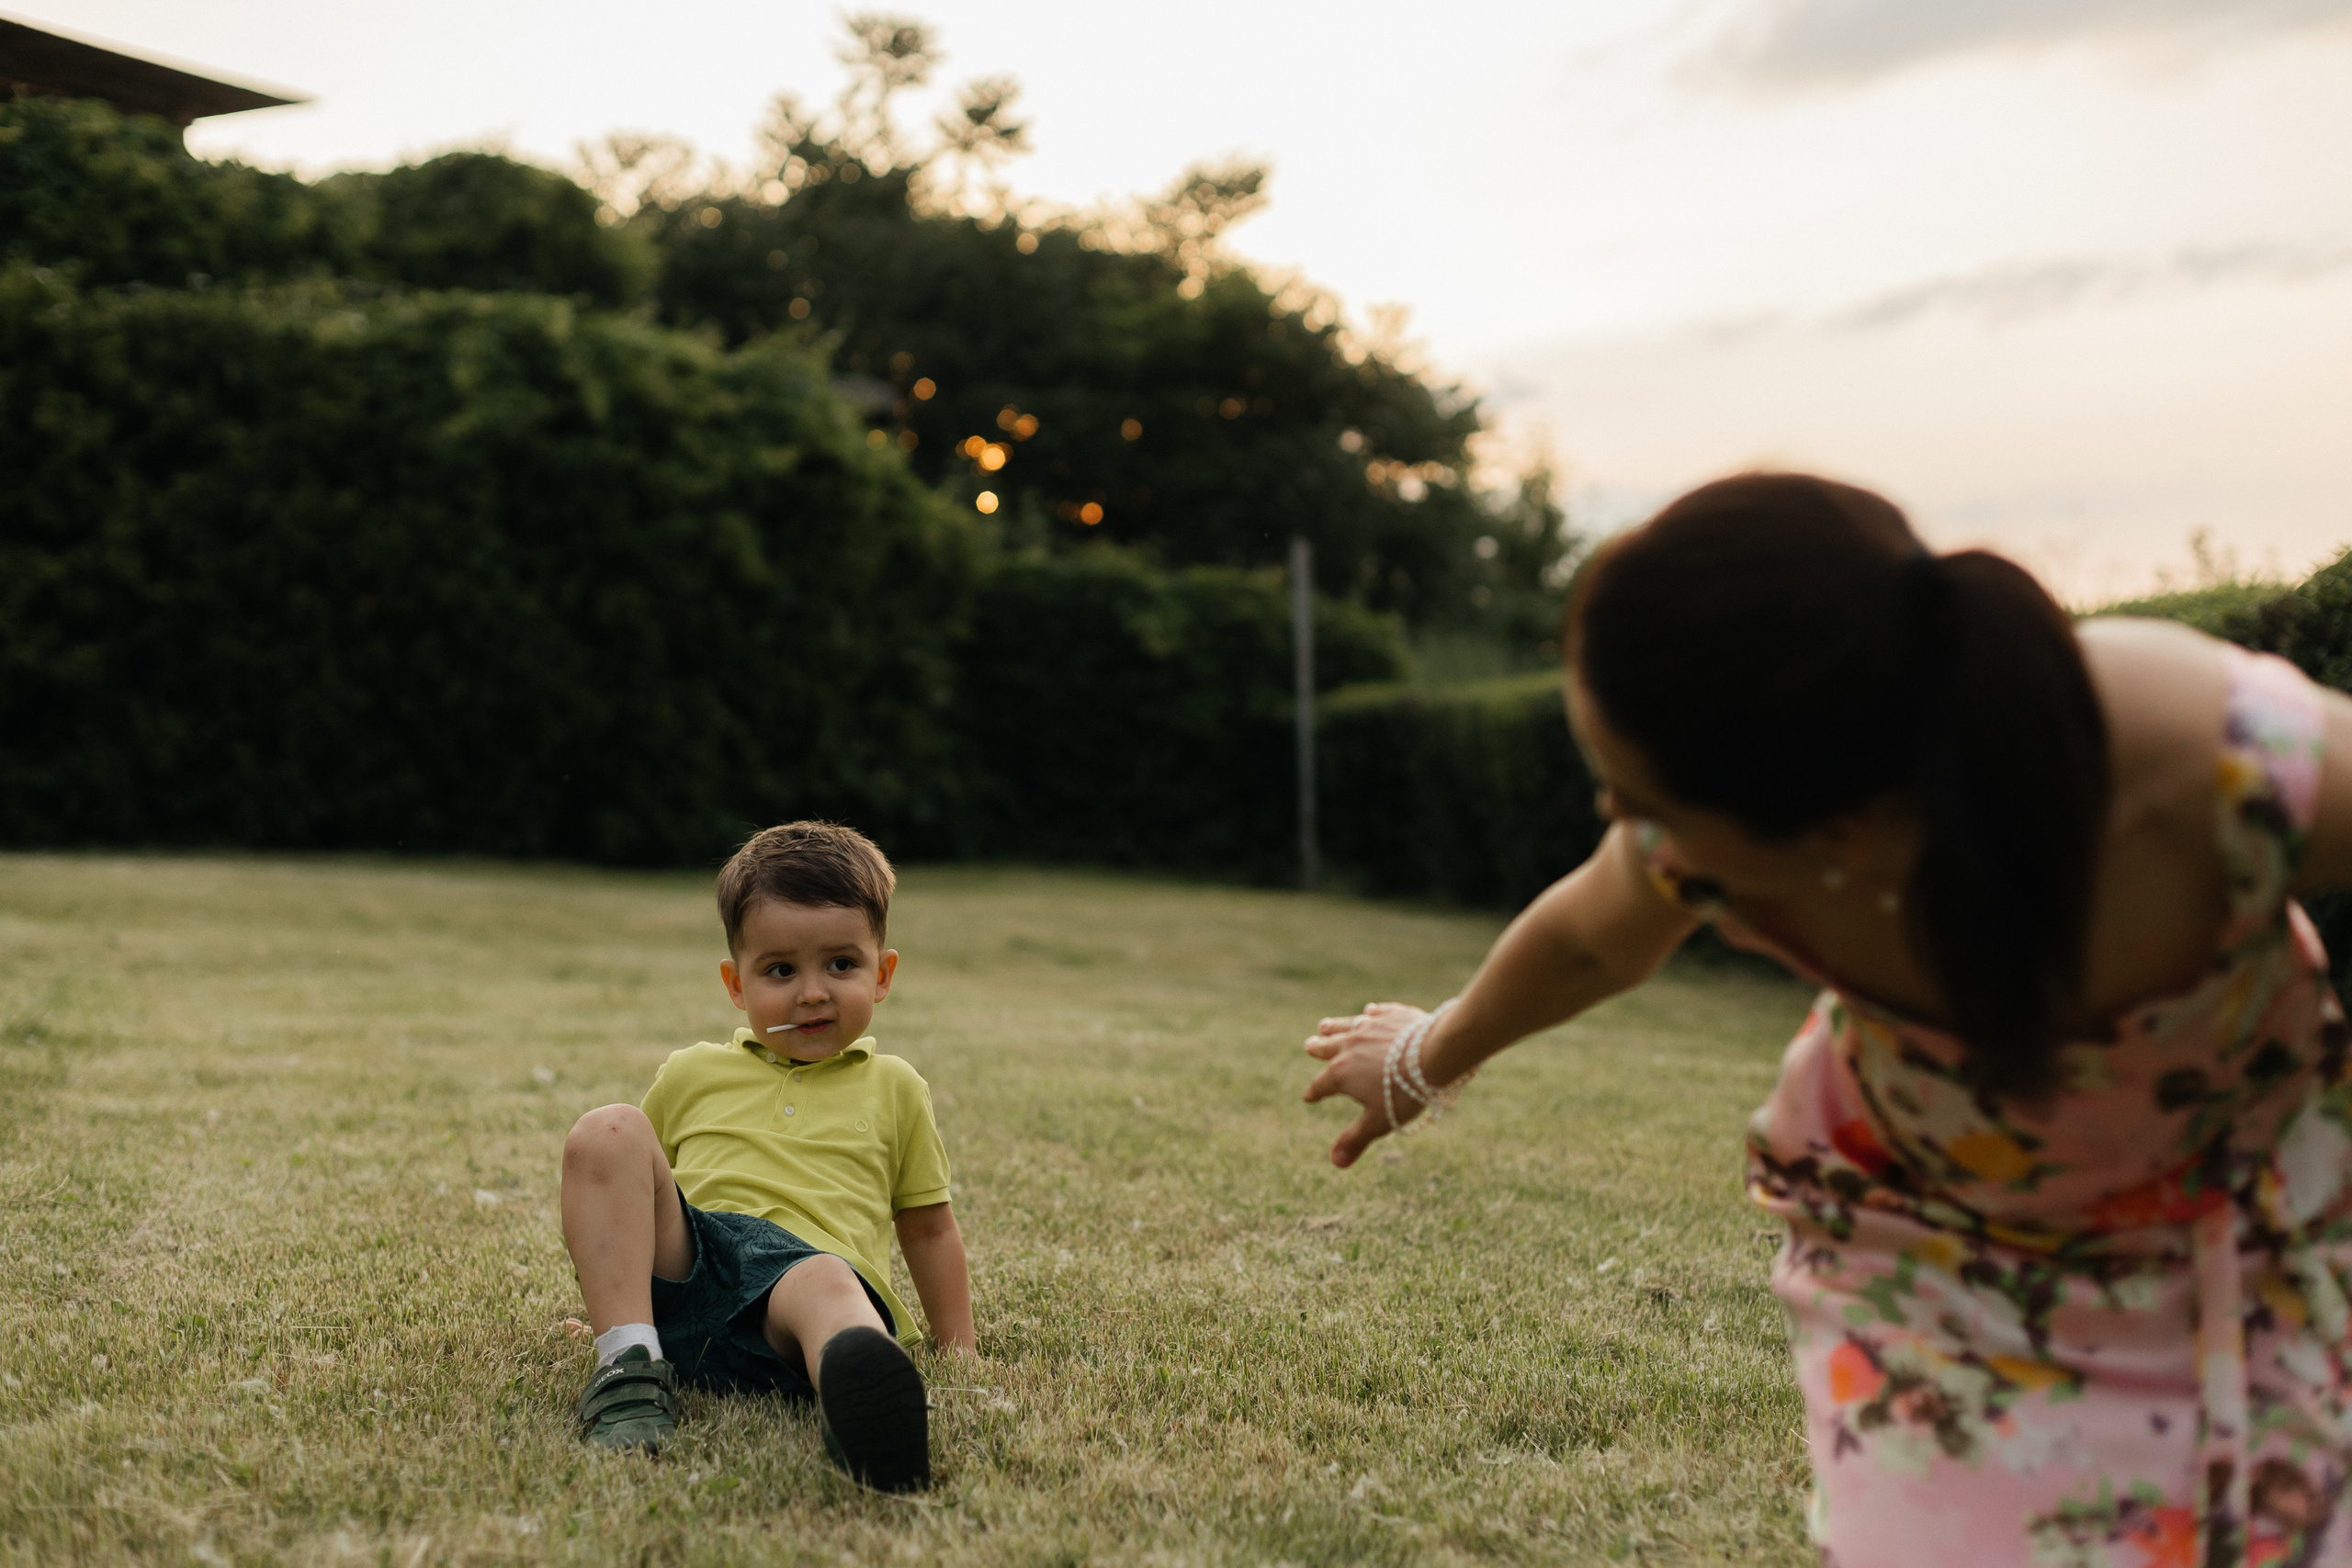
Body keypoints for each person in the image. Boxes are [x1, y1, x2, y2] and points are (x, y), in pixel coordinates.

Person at [1304, 473, 2352, 1567]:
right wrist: (1421, 1056)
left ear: (1839, 836)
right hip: (1935, 1255)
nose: (1623, 829)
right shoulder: (1723, 852)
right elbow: (1586, 939)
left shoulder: (2203, 756)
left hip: (2260, 1231)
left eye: (1643, 806)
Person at [560, 821, 973, 1492]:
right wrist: (611, 1305)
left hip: (798, 1298)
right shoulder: (691, 1073)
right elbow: (627, 1201)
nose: (812, 992)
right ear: (735, 982)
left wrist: (960, 1347)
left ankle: (859, 1390)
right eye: (781, 970)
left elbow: (928, 1227)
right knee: (607, 1132)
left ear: (884, 973)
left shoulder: (896, 1086)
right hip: (694, 1267)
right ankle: (628, 1360)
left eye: (841, 964)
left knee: (827, 1283)